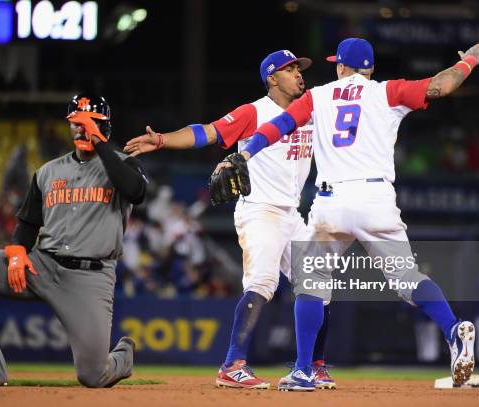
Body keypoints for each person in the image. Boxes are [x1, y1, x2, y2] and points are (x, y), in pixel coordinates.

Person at [229, 38, 479, 390]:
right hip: (376, 197)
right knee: (406, 276)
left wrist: (244, 155)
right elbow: (440, 86)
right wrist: (469, 63)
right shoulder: (387, 91)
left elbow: (277, 127)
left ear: (340, 66)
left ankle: (305, 370)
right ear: (369, 68)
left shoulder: (317, 96)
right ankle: (452, 330)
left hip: (332, 200)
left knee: (311, 281)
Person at [124, 50, 336, 390]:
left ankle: (315, 366)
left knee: (320, 286)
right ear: (271, 77)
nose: (298, 73)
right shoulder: (254, 112)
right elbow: (206, 132)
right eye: (289, 68)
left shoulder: (309, 109)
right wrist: (163, 140)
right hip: (260, 210)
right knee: (263, 283)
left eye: (299, 68)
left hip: (292, 213)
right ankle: (232, 365)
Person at [0, 93, 148, 387]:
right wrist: (17, 252)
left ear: (105, 126)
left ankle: (122, 357)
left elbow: (135, 191)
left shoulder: (125, 164)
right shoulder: (48, 171)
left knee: (93, 376)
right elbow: (28, 223)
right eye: (76, 123)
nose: (81, 129)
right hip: (42, 266)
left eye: (90, 122)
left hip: (89, 278)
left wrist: (100, 143)